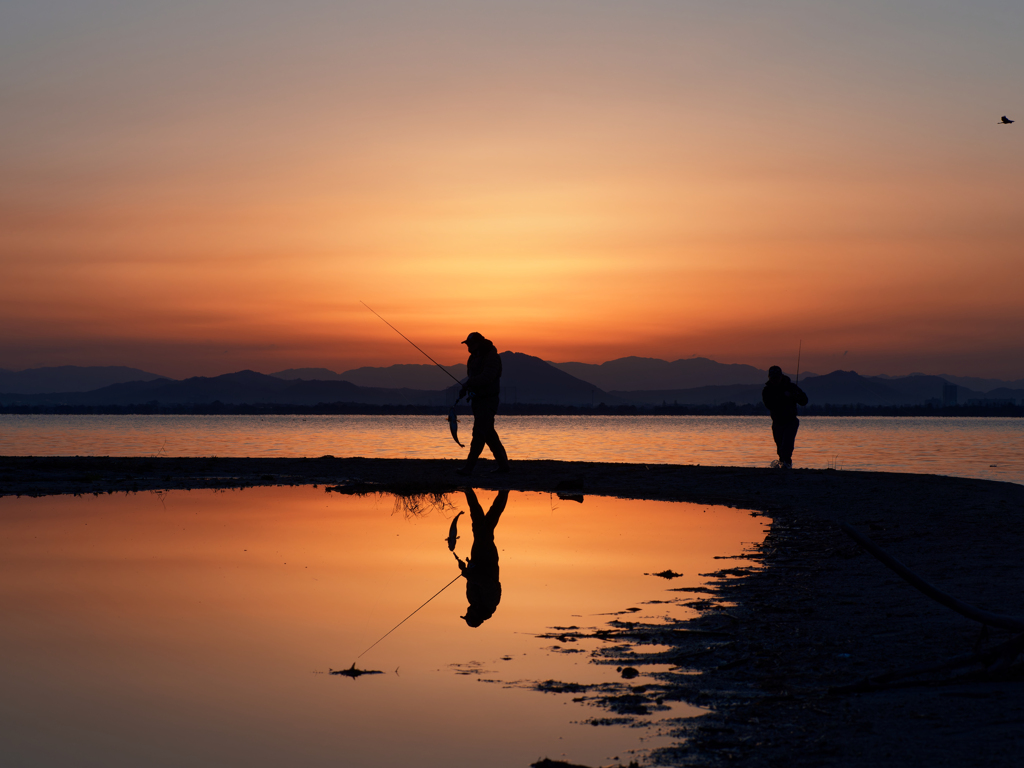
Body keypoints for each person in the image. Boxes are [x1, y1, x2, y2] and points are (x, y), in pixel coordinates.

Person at [456, 332, 510, 476]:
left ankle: (469, 467)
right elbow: (472, 378)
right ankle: (504, 466)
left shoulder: (492, 357)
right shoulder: (473, 357)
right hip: (478, 400)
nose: (468, 347)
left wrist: (470, 383)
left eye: (470, 344)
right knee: (489, 434)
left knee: (479, 433)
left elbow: (487, 377)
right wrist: (465, 389)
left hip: (488, 400)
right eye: (467, 344)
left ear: (478, 343)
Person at [454, 488, 508, 627]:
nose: (467, 611)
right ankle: (500, 492)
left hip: (476, 558)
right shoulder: (491, 602)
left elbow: (473, 579)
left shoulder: (472, 600)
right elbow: (486, 583)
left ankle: (472, 492)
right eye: (469, 615)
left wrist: (466, 569)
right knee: (483, 527)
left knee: (480, 526)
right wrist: (468, 575)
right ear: (476, 615)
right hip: (488, 559)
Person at [762, 365, 808, 469]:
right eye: (772, 378)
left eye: (777, 378)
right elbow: (769, 405)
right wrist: (784, 396)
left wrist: (794, 395)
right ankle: (784, 465)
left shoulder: (791, 387)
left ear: (781, 377)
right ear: (769, 378)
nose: (775, 380)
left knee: (786, 446)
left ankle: (787, 465)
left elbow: (804, 401)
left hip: (791, 422)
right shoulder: (767, 390)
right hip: (777, 423)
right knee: (780, 449)